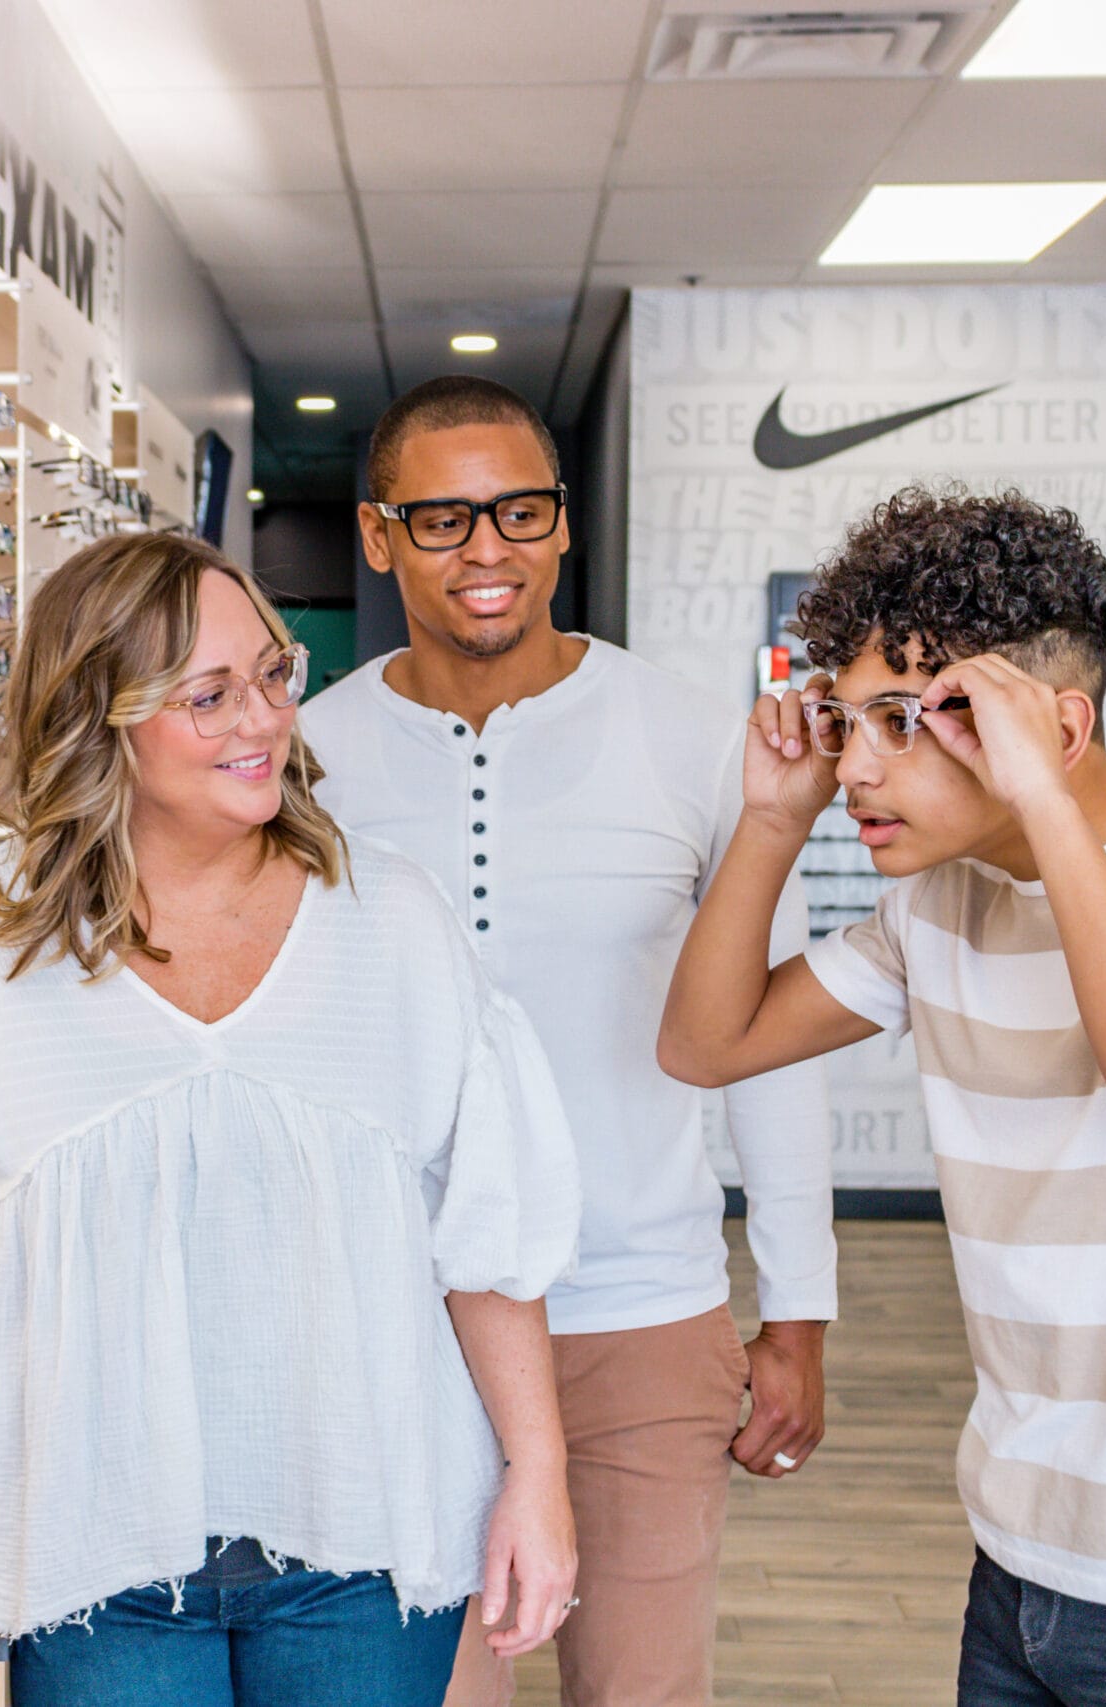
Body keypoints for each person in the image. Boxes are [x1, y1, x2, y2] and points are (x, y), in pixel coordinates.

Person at [0, 531, 584, 1707]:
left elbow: (485, 1241)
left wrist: (538, 1472)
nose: (265, 720)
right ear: (100, 719)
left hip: (363, 1547)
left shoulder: (392, 922)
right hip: (92, 1555)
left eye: (272, 676)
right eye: (208, 696)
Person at [658, 485, 1106, 1706]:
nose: (857, 767)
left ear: (1056, 726)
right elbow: (705, 1044)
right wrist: (771, 825)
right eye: (846, 717)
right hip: (1020, 1556)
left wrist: (1043, 802)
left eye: (905, 719)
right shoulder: (937, 909)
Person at [298, 375, 836, 1707]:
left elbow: (770, 1038)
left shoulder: (689, 740)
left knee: (643, 1691)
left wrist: (800, 1310)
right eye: (444, 519)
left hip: (640, 1311)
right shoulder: (309, 760)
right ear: (379, 537)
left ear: (561, 525)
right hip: (397, 1323)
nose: (490, 549)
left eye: (521, 510)